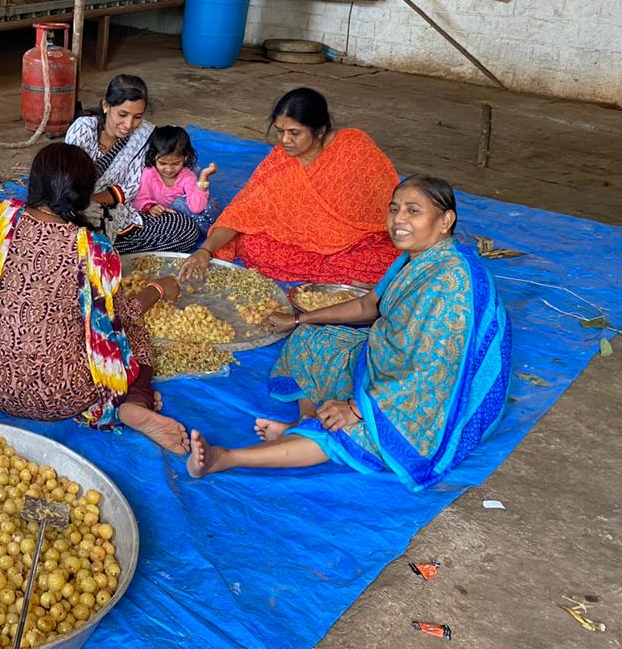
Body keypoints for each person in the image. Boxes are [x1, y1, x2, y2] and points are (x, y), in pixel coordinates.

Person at [186, 176, 512, 490]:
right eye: (394, 208)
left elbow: (429, 373)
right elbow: (369, 305)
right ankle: (307, 420)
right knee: (311, 338)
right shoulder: (416, 258)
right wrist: (300, 318)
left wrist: (355, 409)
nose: (398, 219)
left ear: (445, 220)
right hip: (391, 357)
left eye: (413, 211)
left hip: (445, 395)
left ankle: (224, 458)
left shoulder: (452, 283)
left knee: (361, 432)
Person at [0, 143, 190, 454]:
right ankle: (135, 403)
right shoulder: (93, 249)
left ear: (33, 184)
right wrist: (158, 288)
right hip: (62, 396)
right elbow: (116, 318)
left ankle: (136, 406)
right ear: (85, 196)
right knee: (135, 335)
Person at [180, 87, 399, 284]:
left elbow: (383, 205)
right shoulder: (280, 160)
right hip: (296, 243)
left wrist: (331, 233)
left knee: (390, 258)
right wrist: (206, 250)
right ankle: (347, 278)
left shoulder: (352, 147)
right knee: (251, 244)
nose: (284, 140)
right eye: (280, 131)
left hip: (351, 243)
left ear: (320, 131)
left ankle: (349, 274)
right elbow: (243, 211)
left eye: (294, 133)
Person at [64, 74, 203, 254]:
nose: (129, 124)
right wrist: (81, 205)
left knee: (185, 228)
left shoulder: (145, 134)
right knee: (67, 222)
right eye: (122, 114)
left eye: (137, 117)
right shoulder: (84, 129)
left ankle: (97, 249)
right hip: (72, 209)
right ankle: (95, 247)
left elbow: (130, 188)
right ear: (106, 105)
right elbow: (67, 182)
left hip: (115, 211)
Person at [135, 125, 220, 233]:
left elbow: (197, 208)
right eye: (162, 163)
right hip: (174, 219)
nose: (169, 169)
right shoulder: (148, 174)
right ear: (153, 157)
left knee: (181, 203)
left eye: (175, 163)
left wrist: (203, 178)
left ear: (185, 158)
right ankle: (214, 232)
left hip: (194, 211)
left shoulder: (188, 176)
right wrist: (150, 207)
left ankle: (217, 230)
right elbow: (139, 200)